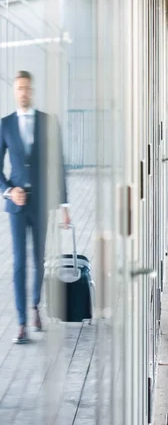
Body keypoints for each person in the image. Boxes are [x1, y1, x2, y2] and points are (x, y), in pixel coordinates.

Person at [0, 71, 70, 343]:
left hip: (42, 203)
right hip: (17, 205)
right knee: (19, 262)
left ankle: (34, 306)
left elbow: (59, 165)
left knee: (38, 259)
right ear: (14, 91)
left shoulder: (47, 122)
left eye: (27, 88)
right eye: (19, 88)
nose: (24, 92)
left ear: (33, 90)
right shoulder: (5, 125)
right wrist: (8, 191)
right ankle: (21, 324)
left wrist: (64, 204)